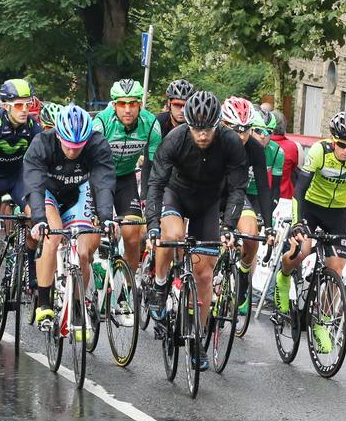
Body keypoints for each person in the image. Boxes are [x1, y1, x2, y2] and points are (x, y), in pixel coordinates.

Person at [146, 91, 250, 372]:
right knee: (172, 235)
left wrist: (229, 224)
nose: (202, 136)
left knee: (204, 275)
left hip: (208, 204)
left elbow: (238, 187)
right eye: (196, 129)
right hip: (176, 195)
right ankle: (159, 282)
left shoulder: (229, 143)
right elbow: (155, 183)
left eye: (208, 130)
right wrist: (153, 223)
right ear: (188, 125)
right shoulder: (175, 138)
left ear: (218, 125)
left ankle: (197, 340)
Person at [278, 111, 346, 350]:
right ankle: (284, 277)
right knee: (302, 250)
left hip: (336, 213)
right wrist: (299, 223)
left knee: (336, 270)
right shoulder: (320, 151)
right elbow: (299, 189)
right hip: (310, 207)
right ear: (333, 139)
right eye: (341, 145)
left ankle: (321, 322)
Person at [24, 104, 117, 327]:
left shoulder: (97, 144)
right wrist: (38, 219)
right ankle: (44, 304)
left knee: (84, 252)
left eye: (79, 146)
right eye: (68, 145)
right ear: (58, 135)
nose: (73, 151)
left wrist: (105, 217)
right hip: (47, 193)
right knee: (52, 236)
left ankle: (77, 303)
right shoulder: (42, 143)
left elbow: (103, 183)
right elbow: (33, 185)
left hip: (78, 194)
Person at [0, 79, 41, 334]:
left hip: (17, 180)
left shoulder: (33, 126)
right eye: (19, 105)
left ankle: (30, 262)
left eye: (29, 104)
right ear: (6, 105)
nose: (25, 109)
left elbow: (38, 164)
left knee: (35, 216)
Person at [91, 78, 160, 277]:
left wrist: (148, 196)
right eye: (122, 103)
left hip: (125, 179)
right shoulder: (101, 123)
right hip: (97, 179)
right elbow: (89, 163)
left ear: (140, 104)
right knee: (93, 236)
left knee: (132, 235)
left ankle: (127, 288)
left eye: (132, 103)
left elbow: (154, 165)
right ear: (114, 105)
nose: (127, 109)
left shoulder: (151, 125)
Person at [220, 97, 277, 317]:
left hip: (236, 195)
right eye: (236, 130)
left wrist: (270, 225)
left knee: (252, 235)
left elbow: (264, 187)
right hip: (209, 195)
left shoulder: (254, 147)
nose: (242, 136)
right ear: (224, 125)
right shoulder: (212, 140)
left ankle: (243, 275)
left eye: (246, 130)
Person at [269, 111, 299, 200]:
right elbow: (294, 167)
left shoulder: (260, 145)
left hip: (262, 196)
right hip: (284, 197)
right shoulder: (292, 146)